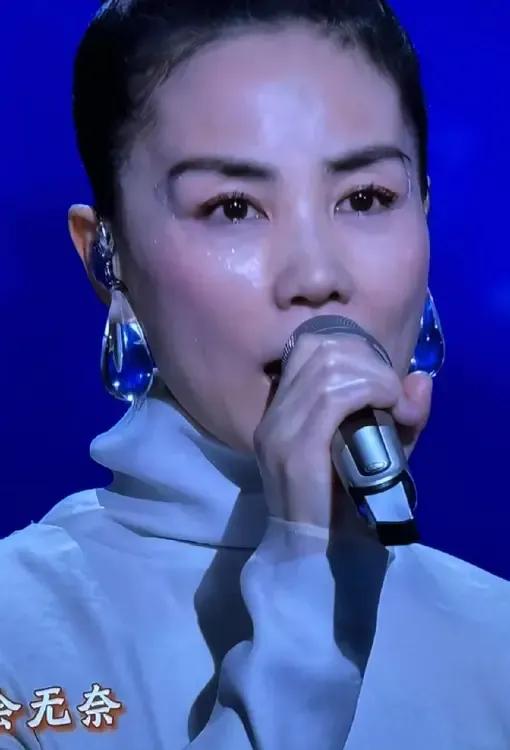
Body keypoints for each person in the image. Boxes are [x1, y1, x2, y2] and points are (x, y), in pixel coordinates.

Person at [1, 0, 509, 747]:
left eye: (365, 198)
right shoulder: (19, 641)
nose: (316, 275)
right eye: (233, 208)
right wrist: (308, 594)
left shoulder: (495, 637)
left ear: (426, 212)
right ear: (106, 256)